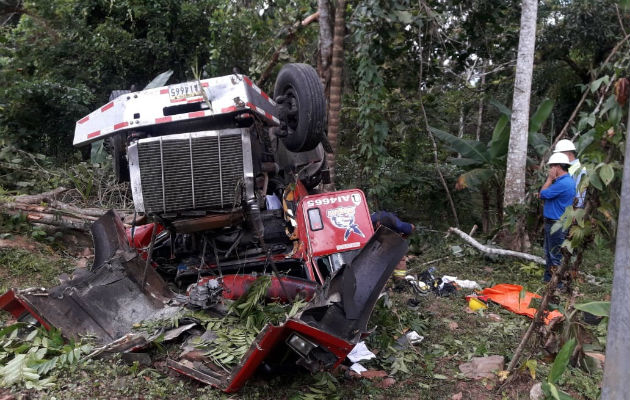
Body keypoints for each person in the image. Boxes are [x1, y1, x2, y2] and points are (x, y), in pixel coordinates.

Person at [539, 152, 576, 282]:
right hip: (555, 222)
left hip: (557, 223)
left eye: (551, 167)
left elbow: (542, 194)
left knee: (554, 255)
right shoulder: (563, 181)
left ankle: (556, 285)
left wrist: (549, 179)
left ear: (558, 167)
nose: (549, 170)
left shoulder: (562, 183)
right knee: (550, 253)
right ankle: (548, 281)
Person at [371, 211, 415, 281]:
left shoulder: (396, 224)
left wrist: (402, 238)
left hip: (389, 237)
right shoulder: (372, 220)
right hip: (375, 239)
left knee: (398, 254)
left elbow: (409, 228)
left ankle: (400, 281)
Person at [553, 139, 586, 208]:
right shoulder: (566, 167)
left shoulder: (580, 169)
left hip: (571, 210)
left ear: (568, 154)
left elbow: (580, 193)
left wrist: (574, 211)